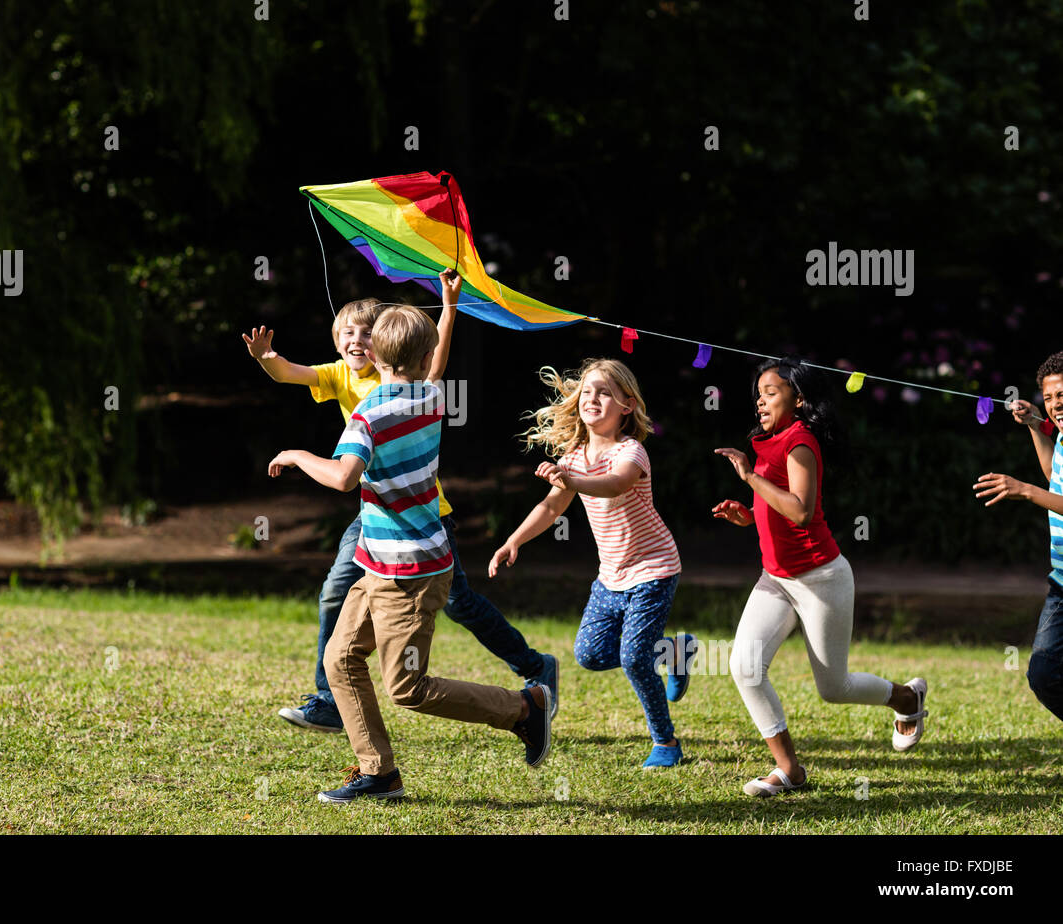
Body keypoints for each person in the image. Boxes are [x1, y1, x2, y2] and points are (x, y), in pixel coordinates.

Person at [242, 272, 557, 733]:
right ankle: (331, 700)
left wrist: (296, 454)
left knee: (458, 607)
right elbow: (291, 372)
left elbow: (345, 475)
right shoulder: (381, 383)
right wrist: (267, 359)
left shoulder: (383, 406)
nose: (356, 340)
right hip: (378, 519)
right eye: (346, 332)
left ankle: (533, 667)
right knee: (337, 592)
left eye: (366, 333)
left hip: (424, 517)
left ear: (380, 347)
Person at [713, 357, 927, 797]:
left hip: (821, 579)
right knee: (744, 666)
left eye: (771, 392)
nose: (760, 401)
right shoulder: (768, 441)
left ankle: (907, 699)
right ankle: (790, 770)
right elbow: (780, 509)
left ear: (799, 398)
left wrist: (749, 478)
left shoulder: (800, 441)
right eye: (759, 394)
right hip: (776, 579)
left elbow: (802, 510)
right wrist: (750, 517)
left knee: (835, 688)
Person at [489, 358, 691, 769]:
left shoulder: (631, 452)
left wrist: (572, 481)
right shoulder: (574, 456)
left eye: (605, 392)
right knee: (590, 655)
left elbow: (615, 483)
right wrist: (514, 541)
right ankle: (673, 651)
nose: (593, 398)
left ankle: (666, 743)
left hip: (654, 567)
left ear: (627, 405)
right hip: (610, 576)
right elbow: (550, 508)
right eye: (587, 391)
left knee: (634, 659)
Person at [973, 350, 1063, 722]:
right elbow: (1052, 475)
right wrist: (1034, 425)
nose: (1056, 404)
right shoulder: (1061, 436)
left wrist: (1022, 490)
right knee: (1043, 674)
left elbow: (1041, 489)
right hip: (1061, 582)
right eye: (1051, 397)